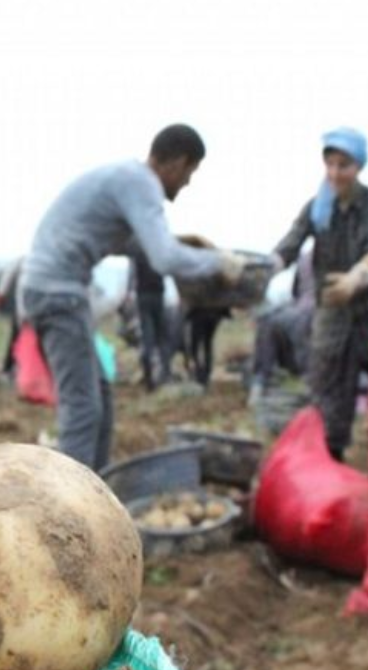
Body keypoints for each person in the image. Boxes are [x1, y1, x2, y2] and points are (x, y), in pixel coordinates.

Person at [19, 124, 243, 470]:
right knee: (83, 409)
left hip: (55, 291)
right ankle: (68, 510)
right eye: (190, 172)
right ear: (179, 163)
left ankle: (95, 491)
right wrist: (219, 263)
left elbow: (134, 244)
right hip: (58, 294)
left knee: (101, 401)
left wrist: (185, 242)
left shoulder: (125, 178)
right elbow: (163, 258)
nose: (187, 183)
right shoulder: (141, 183)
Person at [269, 128, 368, 461]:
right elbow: (289, 245)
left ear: (358, 166)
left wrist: (356, 279)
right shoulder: (317, 208)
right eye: (329, 164)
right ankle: (329, 463)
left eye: (343, 165)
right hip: (330, 318)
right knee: (329, 399)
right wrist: (263, 267)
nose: (335, 173)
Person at [249, 249, 316, 404]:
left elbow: (296, 292)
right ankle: (260, 382)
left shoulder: (305, 258)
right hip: (305, 310)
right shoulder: (305, 258)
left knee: (276, 321)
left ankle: (261, 381)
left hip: (319, 311)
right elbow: (296, 292)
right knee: (269, 320)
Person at [126, 250, 174, 391]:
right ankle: (165, 375)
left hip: (142, 297)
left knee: (147, 339)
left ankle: (149, 380)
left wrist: (128, 293)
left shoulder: (136, 254)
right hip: (158, 296)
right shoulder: (157, 251)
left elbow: (131, 277)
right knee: (163, 338)